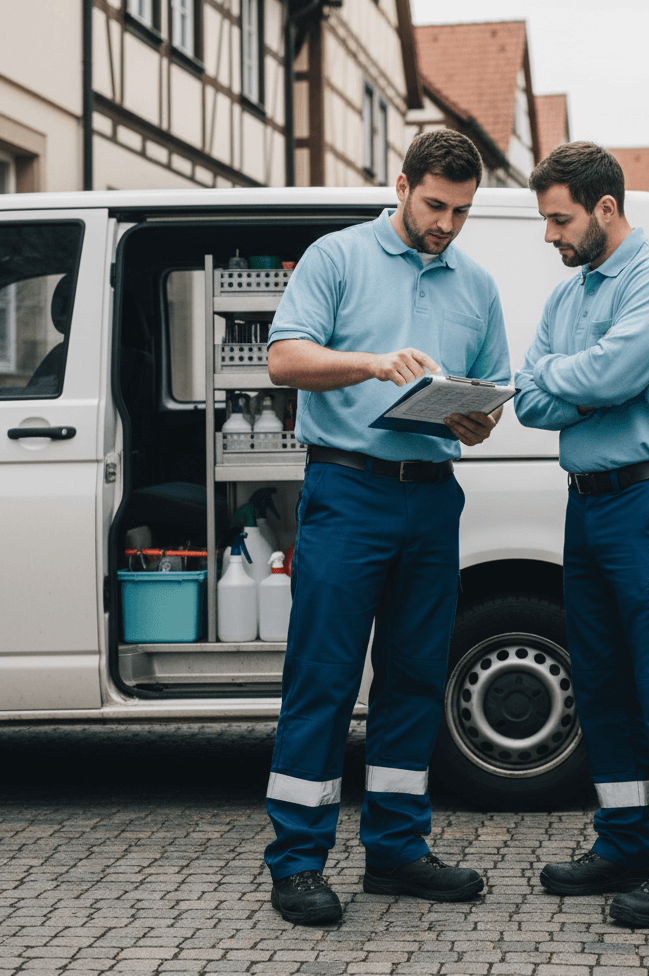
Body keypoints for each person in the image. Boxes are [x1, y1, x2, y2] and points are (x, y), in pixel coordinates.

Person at [263, 129, 510, 926]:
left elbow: (488, 393)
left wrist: (473, 425)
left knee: (412, 680)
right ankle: (298, 864)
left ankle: (398, 853)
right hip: (348, 488)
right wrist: (371, 362)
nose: (446, 223)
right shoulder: (336, 258)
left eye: (462, 211)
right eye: (436, 204)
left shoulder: (476, 284)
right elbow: (285, 359)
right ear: (401, 185)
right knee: (323, 678)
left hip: (432, 496)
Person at [514, 141, 649, 929]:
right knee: (600, 685)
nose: (549, 237)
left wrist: (579, 381)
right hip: (589, 507)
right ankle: (625, 841)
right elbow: (528, 398)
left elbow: (606, 378)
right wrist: (583, 380)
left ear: (605, 208)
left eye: (559, 219)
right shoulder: (569, 298)